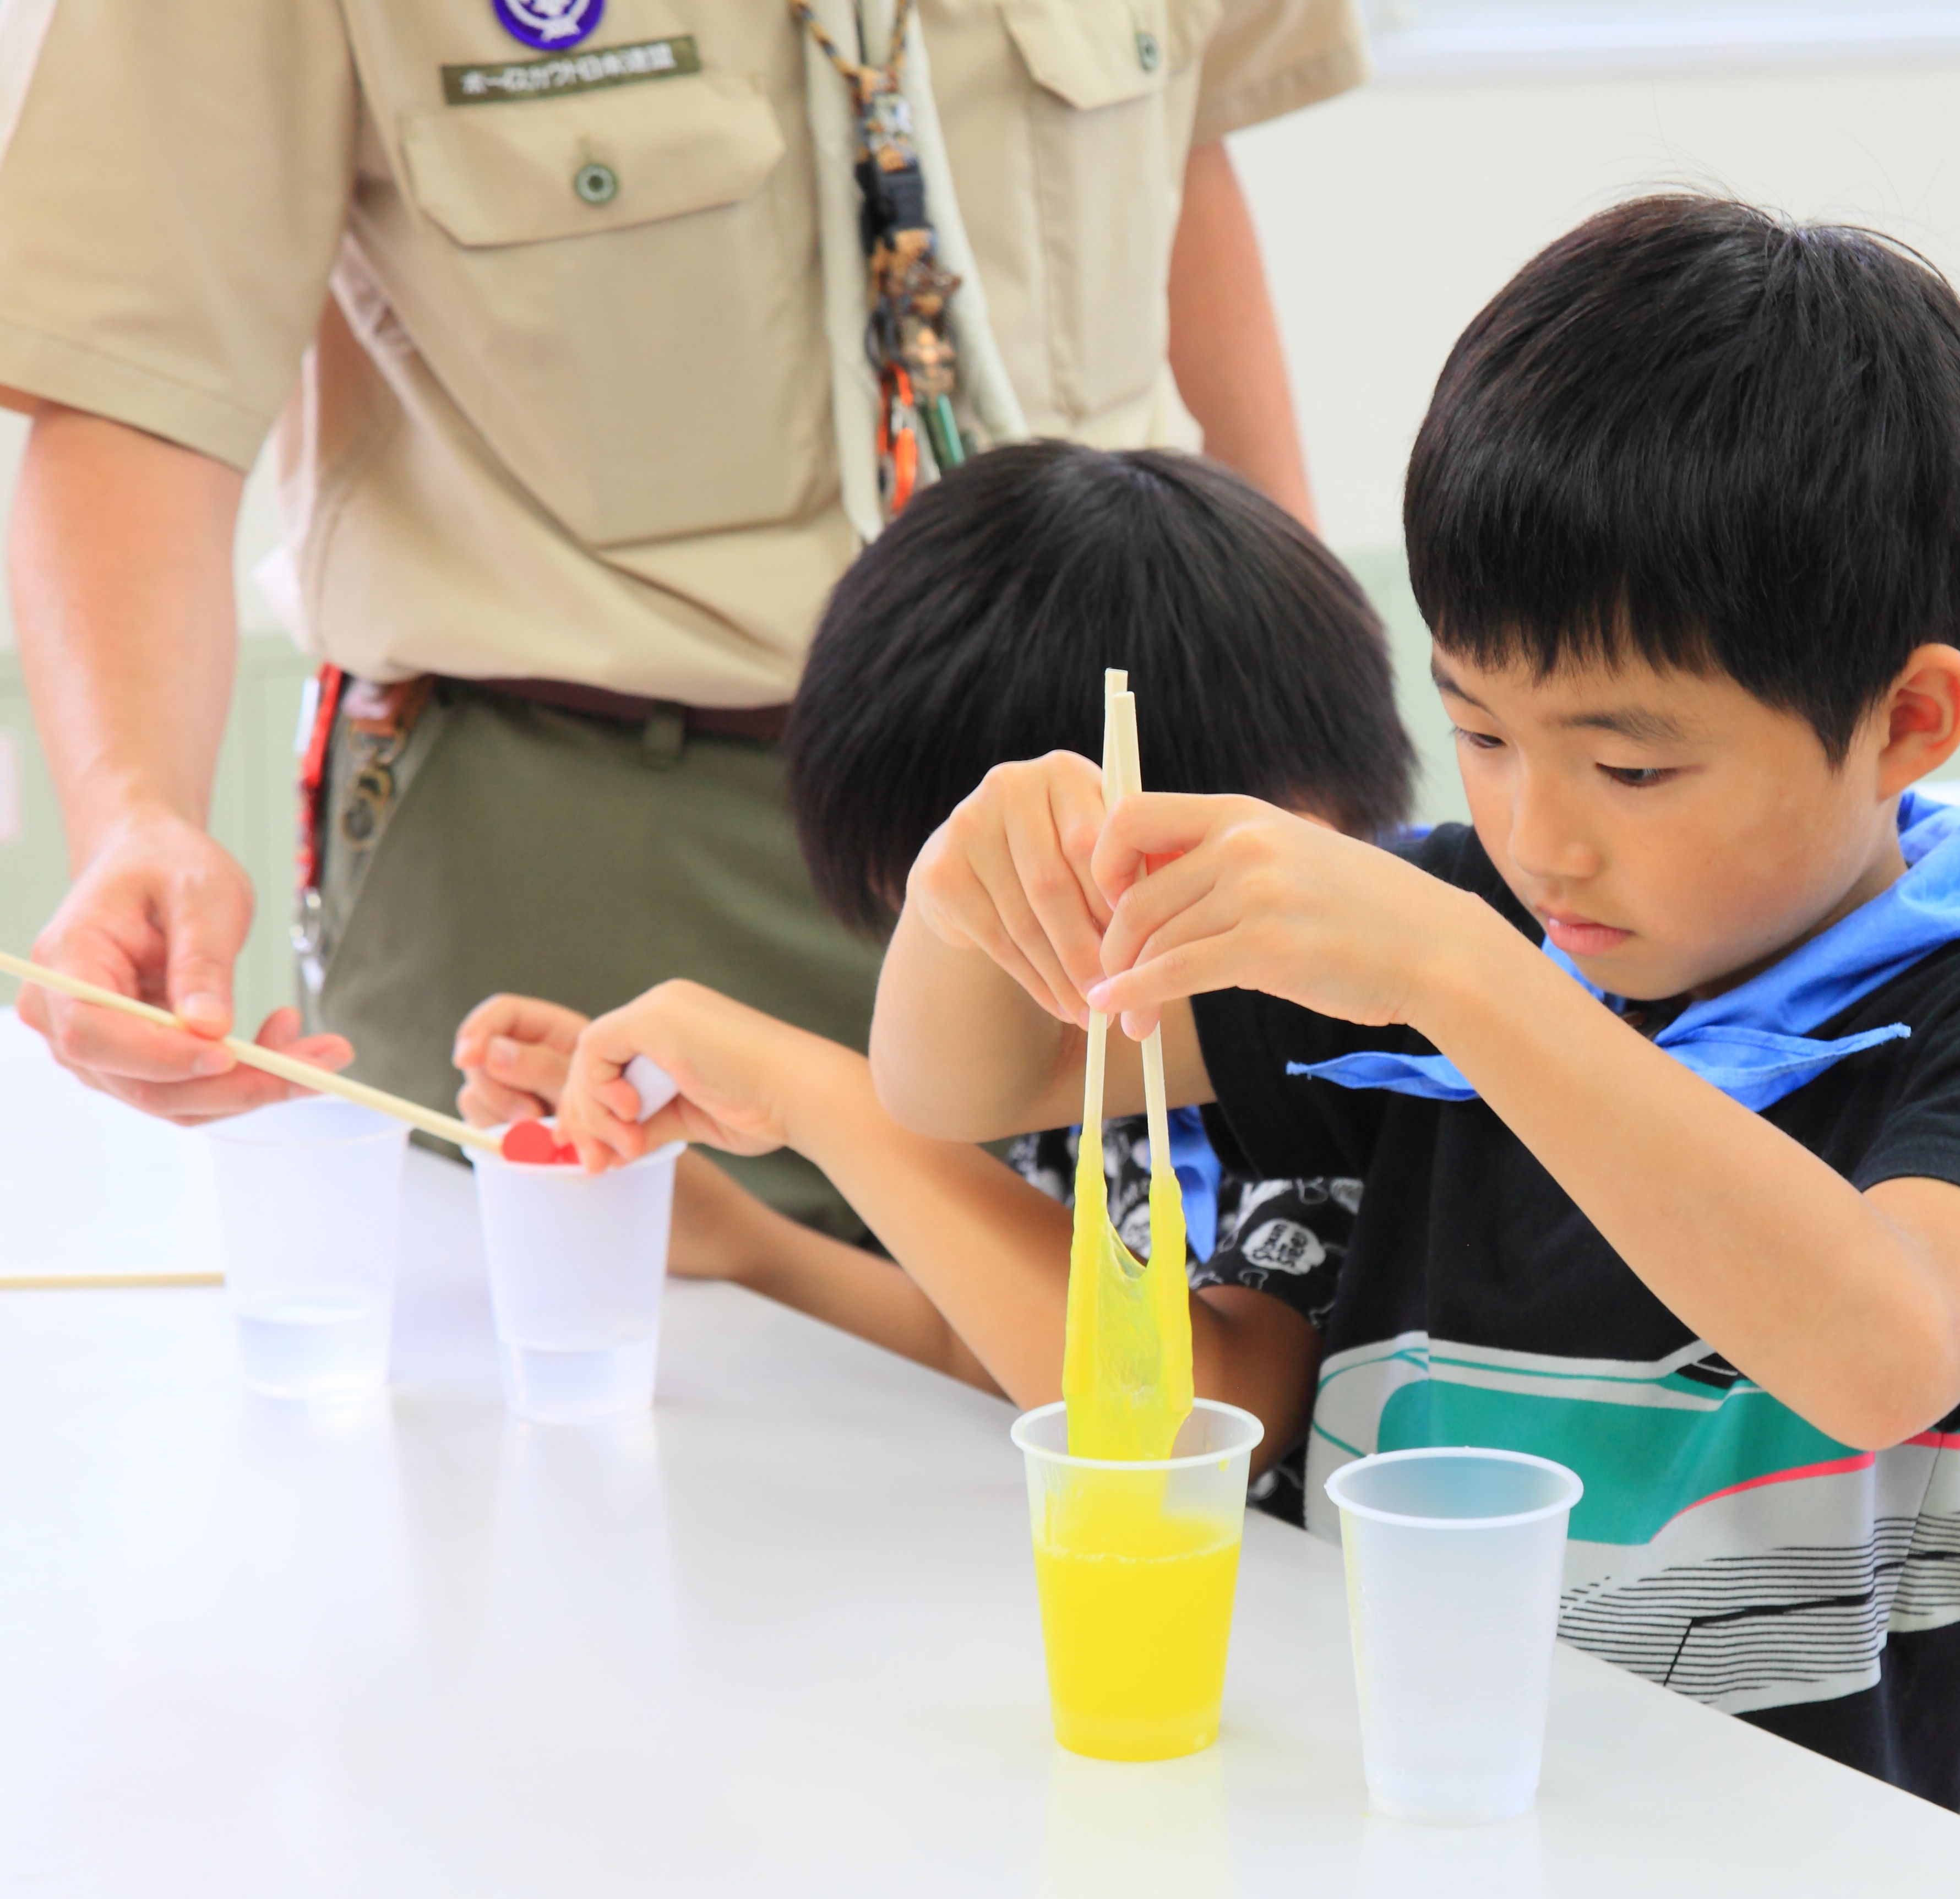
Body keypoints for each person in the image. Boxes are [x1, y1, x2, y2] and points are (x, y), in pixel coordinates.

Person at [843, 195, 1960, 1805]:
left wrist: (1465, 982)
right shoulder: (1455, 923)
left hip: (1784, 1871)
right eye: (1480, 734)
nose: (1539, 838)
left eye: (1631, 767)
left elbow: (1881, 1356)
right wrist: (971, 894)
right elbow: (966, 1082)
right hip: (1395, 1800)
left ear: (1909, 723)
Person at [0, 0, 1362, 1240]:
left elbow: (1182, 161)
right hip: (594, 837)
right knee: (603, 1380)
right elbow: (137, 376)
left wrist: (1314, 746)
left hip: (1127, 833)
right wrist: (135, 814)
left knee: (1175, 1382)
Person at [461, 440, 1413, 1469]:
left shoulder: (1343, 1046)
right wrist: (736, 1241)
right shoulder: (1089, 1047)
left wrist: (813, 1099)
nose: (956, 992)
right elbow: (990, 1343)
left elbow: (1189, 1415)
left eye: (972, 930)